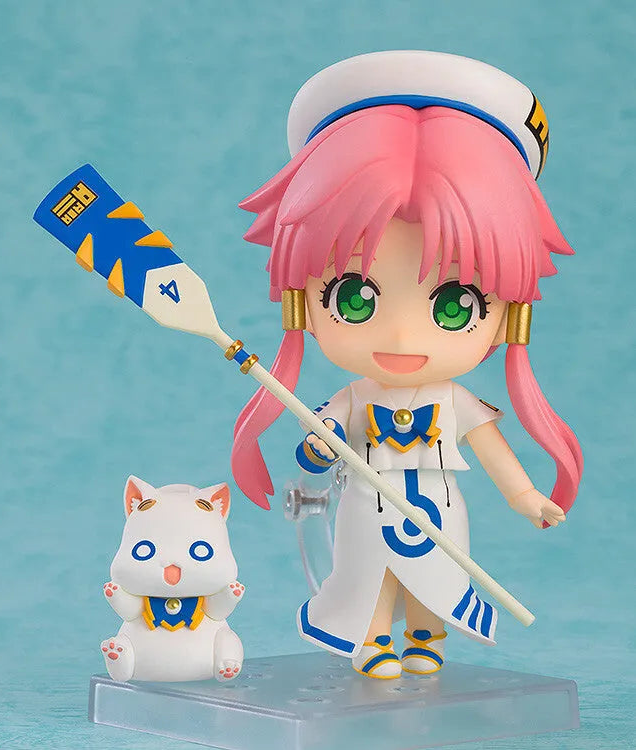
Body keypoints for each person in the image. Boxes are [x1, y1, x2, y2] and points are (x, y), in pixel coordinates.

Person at [231, 51, 583, 679]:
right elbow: (314, 455)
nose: (399, 334)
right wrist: (322, 447)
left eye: (454, 305)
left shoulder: (456, 403)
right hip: (366, 509)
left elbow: (495, 455)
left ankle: (425, 637)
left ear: (510, 314)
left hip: (440, 510)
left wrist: (526, 496)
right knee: (366, 575)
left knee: (440, 576)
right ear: (299, 299)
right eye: (353, 299)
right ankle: (373, 641)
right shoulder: (353, 399)